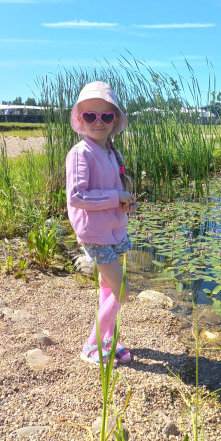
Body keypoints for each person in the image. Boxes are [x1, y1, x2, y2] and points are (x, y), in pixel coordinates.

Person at [66, 81, 138, 365]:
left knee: (107, 284)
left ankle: (108, 338)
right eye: (90, 115)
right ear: (80, 118)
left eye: (106, 116)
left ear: (115, 120)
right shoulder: (80, 153)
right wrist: (115, 197)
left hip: (114, 228)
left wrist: (125, 201)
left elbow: (115, 189)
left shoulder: (111, 152)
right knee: (122, 290)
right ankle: (91, 345)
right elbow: (77, 196)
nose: (98, 121)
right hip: (94, 232)